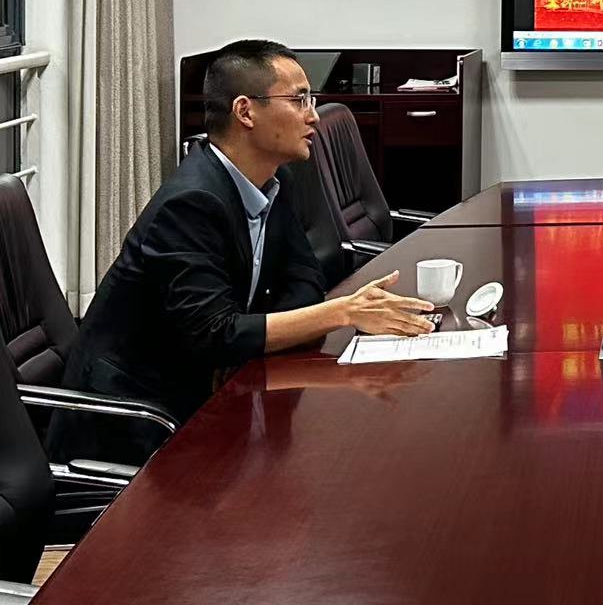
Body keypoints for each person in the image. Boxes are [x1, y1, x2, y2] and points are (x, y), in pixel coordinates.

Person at [55, 40, 435, 463]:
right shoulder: (190, 204)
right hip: (136, 422)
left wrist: (251, 338)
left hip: (209, 396)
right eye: (299, 100)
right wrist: (343, 312)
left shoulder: (273, 181)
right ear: (245, 111)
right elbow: (215, 334)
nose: (312, 115)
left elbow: (305, 280)